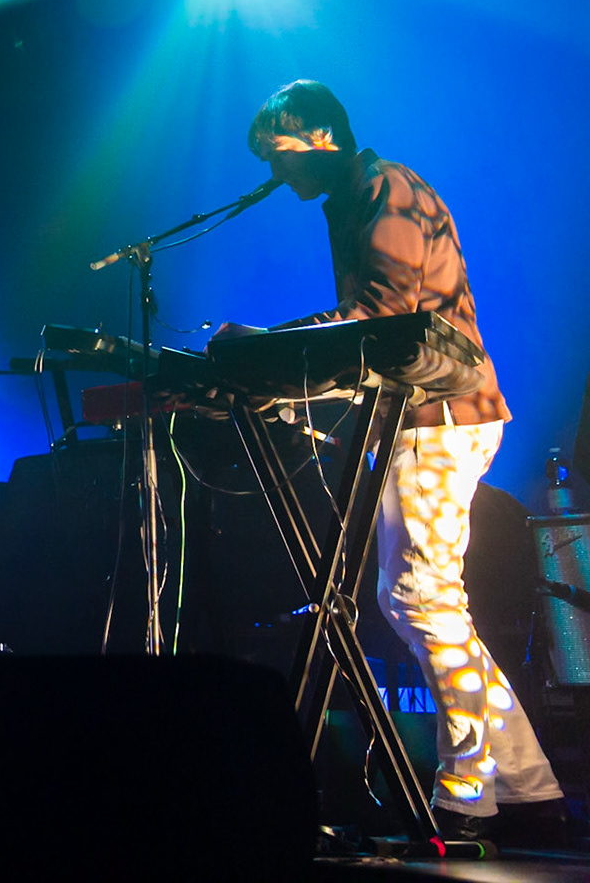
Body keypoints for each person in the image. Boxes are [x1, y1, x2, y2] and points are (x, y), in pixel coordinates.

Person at [220, 80, 565, 844]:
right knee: (417, 601)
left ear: (321, 138)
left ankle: (466, 793)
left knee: (422, 600)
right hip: (427, 419)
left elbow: (382, 318)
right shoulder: (357, 196)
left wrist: (267, 352)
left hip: (442, 418)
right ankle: (532, 787)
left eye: (280, 156)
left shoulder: (383, 188)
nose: (278, 177)